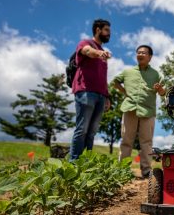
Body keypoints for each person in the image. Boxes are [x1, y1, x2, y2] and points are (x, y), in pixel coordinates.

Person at [113, 45, 165, 178]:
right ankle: (122, 170)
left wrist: (159, 89)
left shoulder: (156, 74)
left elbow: (163, 92)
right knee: (126, 140)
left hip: (148, 112)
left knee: (146, 142)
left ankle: (147, 170)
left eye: (143, 52)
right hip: (129, 109)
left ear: (150, 57)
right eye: (138, 52)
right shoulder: (127, 72)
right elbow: (115, 82)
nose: (140, 54)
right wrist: (125, 92)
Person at [69, 19, 112, 161]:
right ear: (98, 30)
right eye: (106, 30)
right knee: (82, 129)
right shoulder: (85, 43)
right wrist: (99, 53)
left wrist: (107, 97)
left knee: (92, 132)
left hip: (100, 95)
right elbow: (87, 51)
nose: (109, 33)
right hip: (85, 91)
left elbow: (103, 77)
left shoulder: (102, 54)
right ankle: (74, 163)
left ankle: (86, 164)